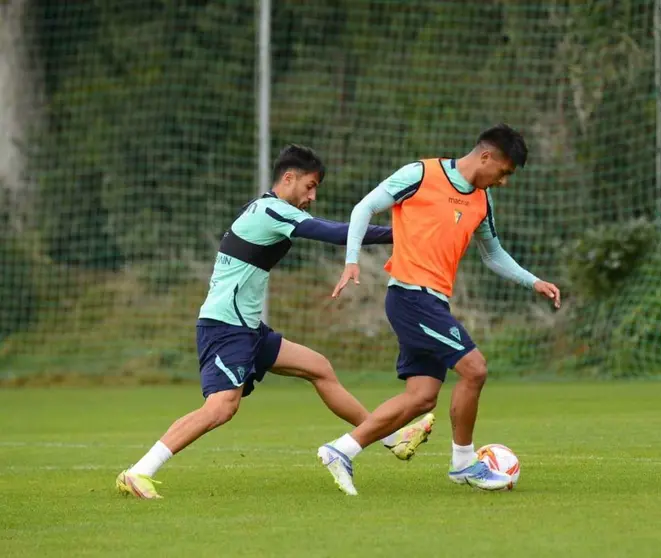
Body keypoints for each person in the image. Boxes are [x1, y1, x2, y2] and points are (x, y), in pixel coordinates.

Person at [116, 145, 435, 499]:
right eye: (310, 186)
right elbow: (332, 232)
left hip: (248, 328)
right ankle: (140, 471)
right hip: (226, 327)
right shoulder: (272, 211)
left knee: (319, 368)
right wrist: (403, 232)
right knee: (222, 406)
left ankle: (394, 439)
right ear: (289, 178)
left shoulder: (264, 209)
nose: (312, 196)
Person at [320, 124, 561, 496]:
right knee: (475, 369)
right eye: (504, 172)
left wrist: (533, 281)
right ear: (486, 157)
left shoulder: (482, 201)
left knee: (421, 397)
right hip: (410, 297)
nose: (503, 182)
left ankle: (341, 450)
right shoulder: (420, 174)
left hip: (432, 301)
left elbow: (492, 254)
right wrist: (352, 260)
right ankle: (464, 464)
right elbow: (364, 207)